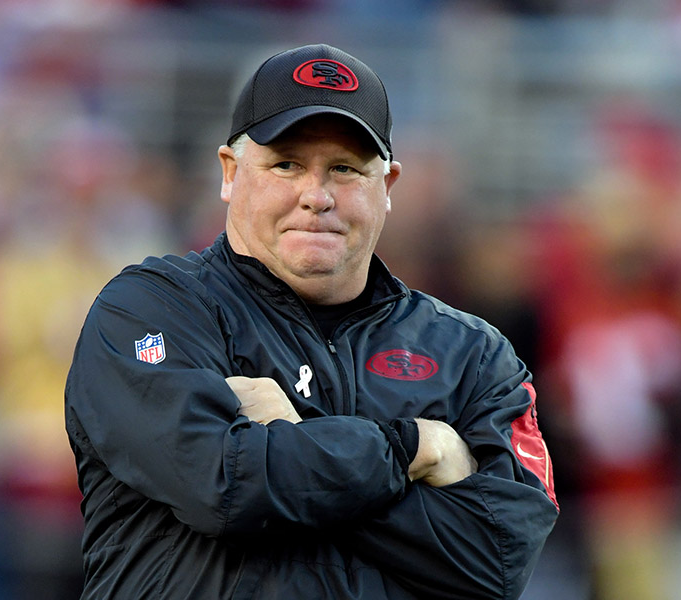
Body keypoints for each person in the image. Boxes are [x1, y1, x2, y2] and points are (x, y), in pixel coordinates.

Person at [65, 43, 559, 599]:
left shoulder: (473, 355)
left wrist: (295, 439)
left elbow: (498, 561)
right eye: (286, 164)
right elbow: (225, 486)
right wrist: (416, 448)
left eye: (345, 169)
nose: (316, 196)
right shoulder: (152, 310)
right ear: (229, 173)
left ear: (388, 187)